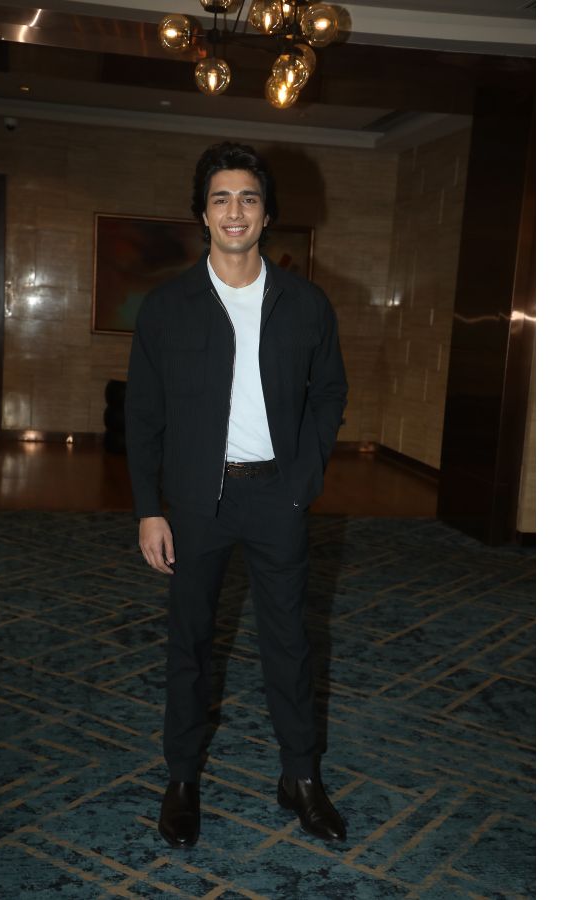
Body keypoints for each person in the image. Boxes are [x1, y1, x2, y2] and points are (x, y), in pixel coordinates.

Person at [125, 141, 349, 848]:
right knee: (190, 644)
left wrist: (306, 472)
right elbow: (143, 416)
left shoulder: (305, 304)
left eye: (248, 197)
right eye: (220, 198)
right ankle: (182, 778)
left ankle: (301, 777)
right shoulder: (168, 307)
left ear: (266, 213)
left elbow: (331, 392)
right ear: (203, 213)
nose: (234, 210)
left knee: (290, 643)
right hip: (198, 503)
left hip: (277, 496)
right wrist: (149, 508)